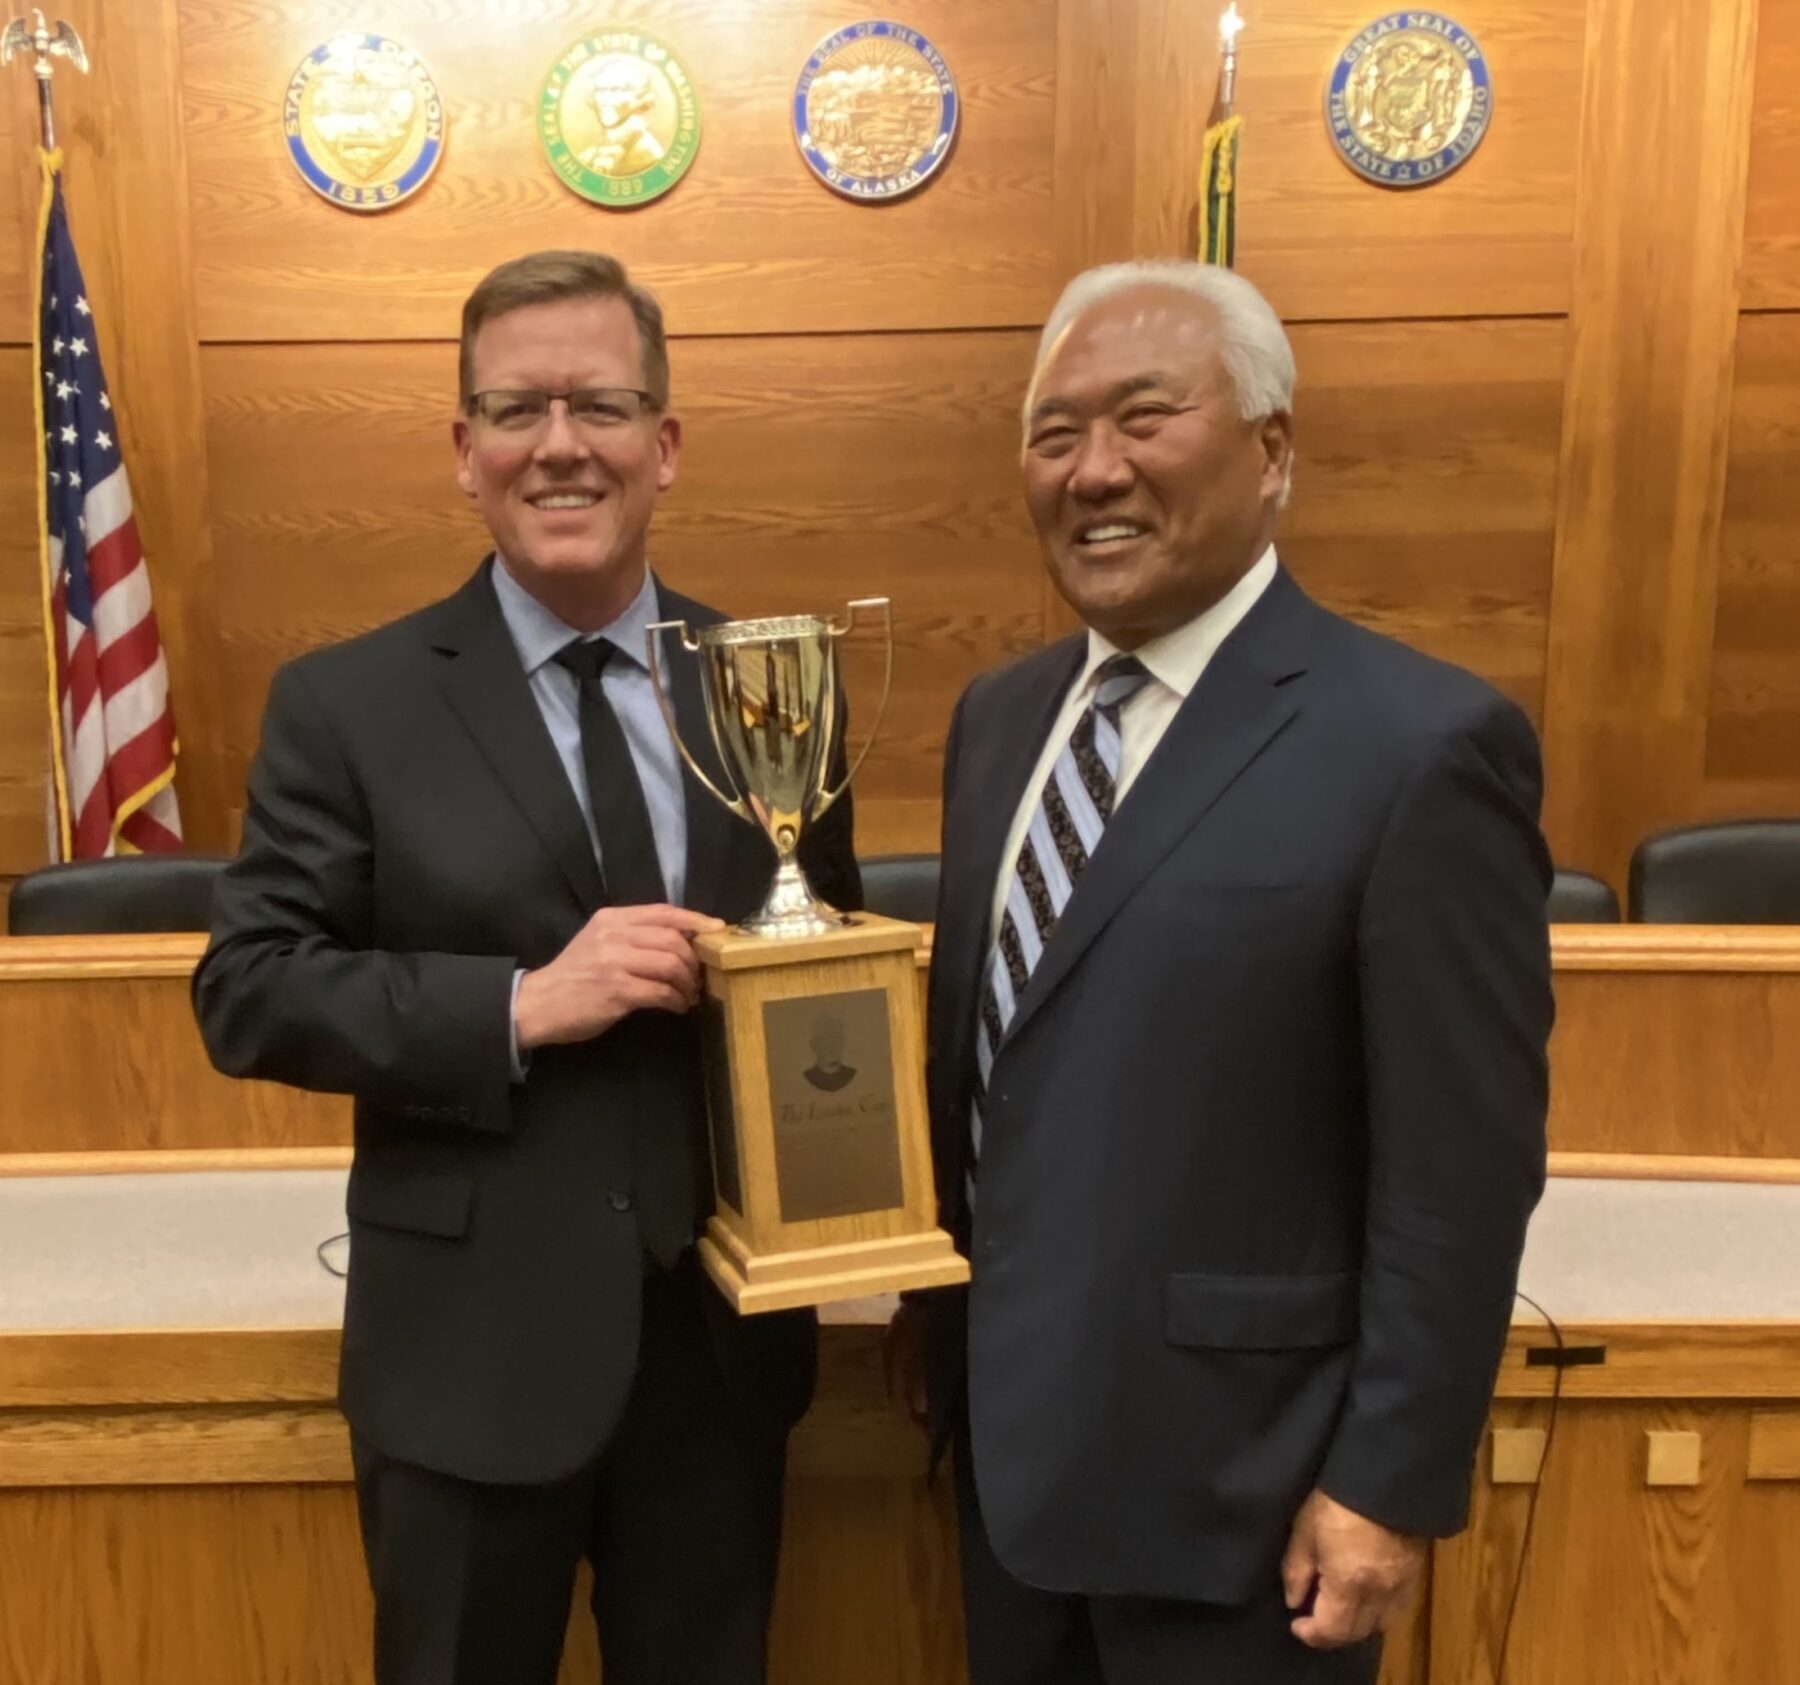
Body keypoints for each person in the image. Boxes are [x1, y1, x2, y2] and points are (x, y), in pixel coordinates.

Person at [194, 249, 860, 1685]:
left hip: (721, 1355)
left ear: (665, 445)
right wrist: (517, 1003)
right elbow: (247, 986)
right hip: (467, 1363)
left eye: (602, 405)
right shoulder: (348, 703)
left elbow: (832, 970)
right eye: (517, 409)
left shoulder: (774, 680)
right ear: (465, 451)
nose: (560, 443)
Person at [887, 259, 1552, 1684]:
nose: (1093, 470)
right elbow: (1010, 1055)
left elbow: (1464, 1160)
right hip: (1013, 1475)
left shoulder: (1421, 746)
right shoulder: (999, 721)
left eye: (1143, 417)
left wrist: (1388, 1478)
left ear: (1271, 449)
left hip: (1252, 1505)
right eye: (1054, 433)